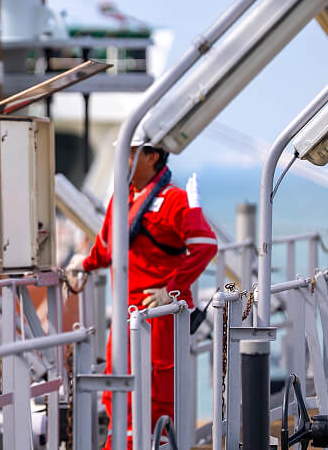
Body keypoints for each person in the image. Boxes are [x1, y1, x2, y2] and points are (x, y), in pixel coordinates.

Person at [68, 136, 217, 449]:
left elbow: (205, 245)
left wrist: (171, 290)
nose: (122, 159)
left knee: (156, 398)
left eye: (130, 152)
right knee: (117, 393)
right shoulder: (121, 199)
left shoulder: (175, 200)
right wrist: (84, 263)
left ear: (152, 157)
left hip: (157, 320)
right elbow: (108, 248)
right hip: (126, 319)